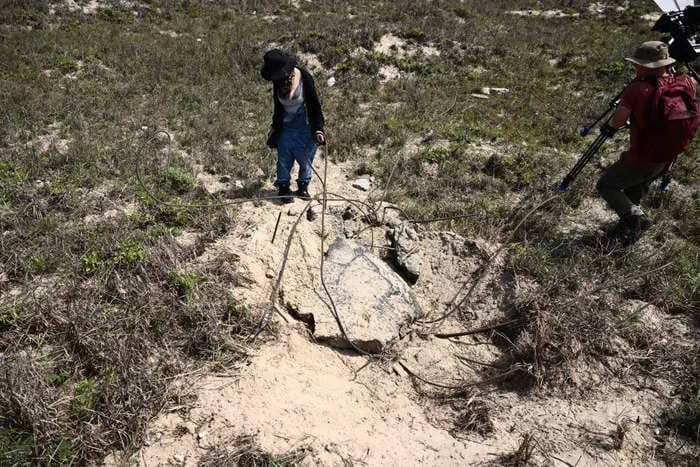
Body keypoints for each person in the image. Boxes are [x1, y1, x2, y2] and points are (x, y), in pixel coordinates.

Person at [596, 41, 697, 244]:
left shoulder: (637, 89)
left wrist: (612, 127)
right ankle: (628, 230)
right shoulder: (686, 82)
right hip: (669, 155)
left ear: (647, 66)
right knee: (637, 186)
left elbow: (618, 120)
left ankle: (637, 219)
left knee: (606, 185)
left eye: (638, 64)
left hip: (644, 154)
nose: (635, 67)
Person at [260, 49, 326, 203]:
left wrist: (318, 128)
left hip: (305, 126)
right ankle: (283, 189)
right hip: (286, 127)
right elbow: (278, 107)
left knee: (305, 159)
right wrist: (275, 127)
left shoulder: (304, 77)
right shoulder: (278, 80)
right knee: (283, 160)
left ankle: (303, 187)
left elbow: (315, 105)